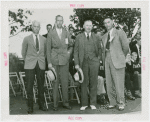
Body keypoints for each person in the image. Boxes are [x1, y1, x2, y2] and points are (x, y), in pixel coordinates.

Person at [101, 16, 129, 111]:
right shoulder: (104, 36)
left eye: (108, 22)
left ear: (112, 22)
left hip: (118, 60)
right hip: (107, 59)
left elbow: (125, 47)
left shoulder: (120, 32)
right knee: (109, 83)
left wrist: (121, 57)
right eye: (105, 23)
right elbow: (103, 50)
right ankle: (112, 102)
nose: (106, 24)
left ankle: (121, 102)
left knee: (119, 83)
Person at [74, 20, 103, 110]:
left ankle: (93, 103)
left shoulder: (96, 37)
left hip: (94, 62)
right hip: (83, 62)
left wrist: (98, 60)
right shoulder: (79, 37)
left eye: (90, 25)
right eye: (87, 25)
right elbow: (76, 51)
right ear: (83, 26)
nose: (89, 27)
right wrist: (77, 64)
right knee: (84, 82)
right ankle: (84, 104)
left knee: (93, 82)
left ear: (92, 26)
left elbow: (100, 49)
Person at [46, 15, 73, 111]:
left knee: (65, 82)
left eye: (61, 20)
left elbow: (71, 45)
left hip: (65, 60)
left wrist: (69, 53)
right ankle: (55, 105)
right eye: (58, 20)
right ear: (55, 21)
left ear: (63, 21)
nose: (60, 22)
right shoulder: (51, 33)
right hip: (54, 59)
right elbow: (48, 50)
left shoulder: (66, 32)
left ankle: (66, 103)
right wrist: (49, 62)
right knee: (55, 82)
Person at [21, 20, 47, 114]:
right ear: (32, 27)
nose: (36, 28)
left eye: (38, 26)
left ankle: (41, 105)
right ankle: (30, 107)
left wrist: (41, 59)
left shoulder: (44, 39)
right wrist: (28, 60)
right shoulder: (26, 39)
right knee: (29, 86)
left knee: (41, 86)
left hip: (41, 64)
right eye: (35, 26)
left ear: (40, 28)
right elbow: (23, 53)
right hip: (29, 65)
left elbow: (45, 53)